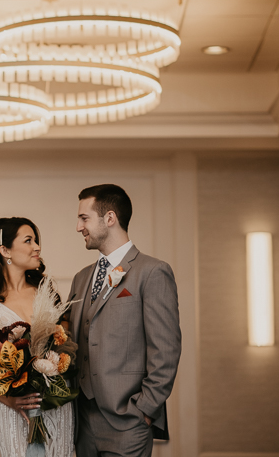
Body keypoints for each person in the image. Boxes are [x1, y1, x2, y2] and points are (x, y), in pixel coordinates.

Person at [68, 184, 181, 457]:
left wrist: (143, 410)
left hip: (127, 422)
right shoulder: (81, 277)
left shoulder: (152, 272)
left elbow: (165, 350)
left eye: (84, 218)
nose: (78, 227)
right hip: (81, 421)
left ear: (109, 218)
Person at [0, 217, 74, 457]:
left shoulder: (49, 295)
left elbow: (66, 348)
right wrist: (10, 401)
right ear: (5, 250)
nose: (37, 247)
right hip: (15, 408)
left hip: (56, 403)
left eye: (36, 240)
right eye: (28, 240)